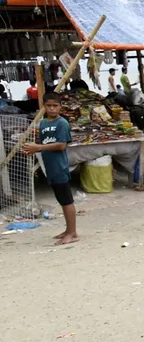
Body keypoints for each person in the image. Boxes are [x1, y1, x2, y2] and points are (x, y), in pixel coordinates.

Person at [23, 93, 79, 246]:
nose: (52, 108)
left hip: (60, 167)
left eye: (55, 106)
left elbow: (61, 145)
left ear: (60, 107)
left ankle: (73, 233)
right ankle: (68, 230)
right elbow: (44, 144)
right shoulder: (43, 123)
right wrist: (33, 149)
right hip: (50, 167)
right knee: (61, 199)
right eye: (49, 106)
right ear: (44, 107)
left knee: (67, 200)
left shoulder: (62, 123)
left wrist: (38, 147)